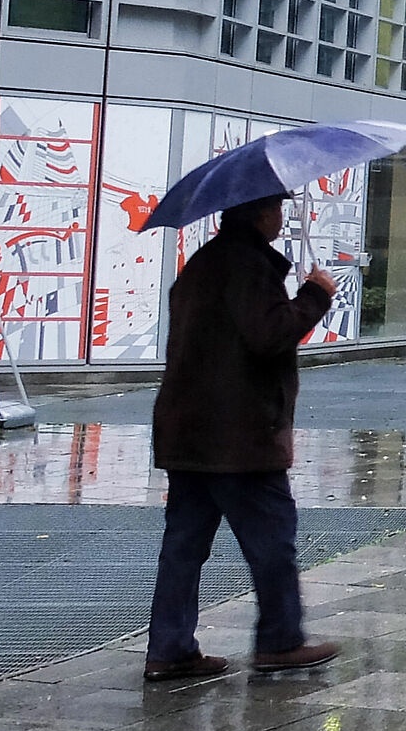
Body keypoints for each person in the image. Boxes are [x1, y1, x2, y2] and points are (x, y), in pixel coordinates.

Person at [144, 194, 340, 681]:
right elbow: (268, 334)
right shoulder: (247, 266)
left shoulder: (203, 264)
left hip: (189, 432)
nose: (282, 219)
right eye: (278, 210)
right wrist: (315, 295)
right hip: (239, 435)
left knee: (184, 547)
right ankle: (280, 641)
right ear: (262, 214)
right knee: (273, 540)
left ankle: (170, 648)